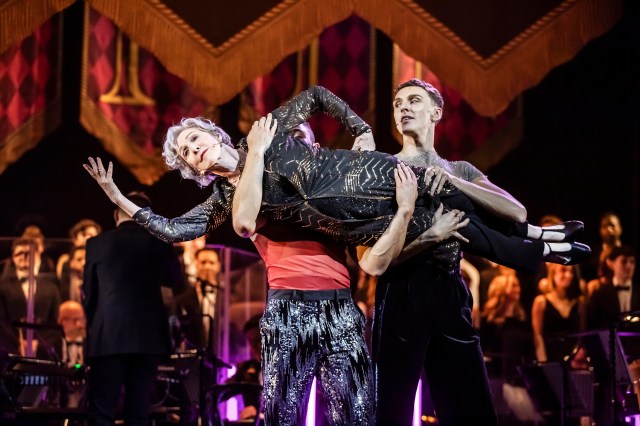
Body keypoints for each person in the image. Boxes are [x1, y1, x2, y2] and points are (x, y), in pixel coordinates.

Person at [84, 86, 589, 276]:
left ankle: (539, 237)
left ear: (213, 134)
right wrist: (118, 199)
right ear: (193, 168)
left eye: (197, 137)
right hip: (358, 224)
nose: (197, 148)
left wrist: (363, 128)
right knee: (455, 227)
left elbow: (317, 95)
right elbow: (173, 230)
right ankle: (544, 246)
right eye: (188, 152)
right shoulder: (225, 197)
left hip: (367, 171)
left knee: (448, 190)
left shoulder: (266, 130)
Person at [231, 118, 465, 425]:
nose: (293, 146)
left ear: (315, 148)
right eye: (285, 141)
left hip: (340, 307)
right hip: (289, 309)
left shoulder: (336, 196)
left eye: (300, 137)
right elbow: (243, 222)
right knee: (282, 417)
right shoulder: (262, 190)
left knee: (355, 416)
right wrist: (258, 152)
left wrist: (407, 212)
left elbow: (373, 264)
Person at [83, 192, 187, 426]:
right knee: (139, 413)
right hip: (148, 339)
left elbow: (89, 295)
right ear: (147, 216)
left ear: (115, 215)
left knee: (101, 412)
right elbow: (179, 285)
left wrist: (94, 328)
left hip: (107, 338)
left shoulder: (97, 244)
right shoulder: (161, 243)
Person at [0, 237, 60, 358]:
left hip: (44, 354)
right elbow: (1, 321)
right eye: (19, 253)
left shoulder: (51, 288)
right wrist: (18, 342)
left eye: (28, 253)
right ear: (13, 257)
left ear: (38, 256)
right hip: (10, 353)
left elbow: (56, 321)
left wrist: (39, 343)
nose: (24, 256)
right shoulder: (2, 287)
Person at [171, 246, 222, 351]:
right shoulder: (183, 300)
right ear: (196, 265)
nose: (207, 267)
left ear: (218, 266)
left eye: (211, 263)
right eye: (203, 262)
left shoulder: (227, 299)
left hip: (220, 356)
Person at [531, 264, 583, 363]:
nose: (568, 275)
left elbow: (581, 333)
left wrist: (578, 355)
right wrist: (544, 362)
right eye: (563, 270)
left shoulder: (579, 302)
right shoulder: (541, 301)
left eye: (571, 272)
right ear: (553, 274)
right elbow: (538, 335)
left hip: (572, 357)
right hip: (550, 355)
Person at [586, 245, 638, 329]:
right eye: (624, 261)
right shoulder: (599, 294)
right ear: (610, 263)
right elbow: (592, 325)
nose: (629, 266)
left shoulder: (638, 291)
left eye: (632, 262)